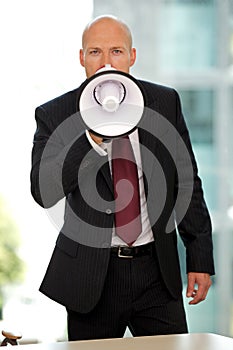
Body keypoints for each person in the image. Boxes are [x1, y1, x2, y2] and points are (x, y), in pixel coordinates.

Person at [30, 15, 215, 341]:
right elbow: (44, 190)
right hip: (93, 277)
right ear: (81, 58)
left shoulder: (164, 102)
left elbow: (186, 181)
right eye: (95, 52)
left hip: (156, 272)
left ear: (132, 56)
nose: (105, 62)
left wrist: (200, 257)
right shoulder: (55, 114)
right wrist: (90, 139)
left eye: (116, 51)